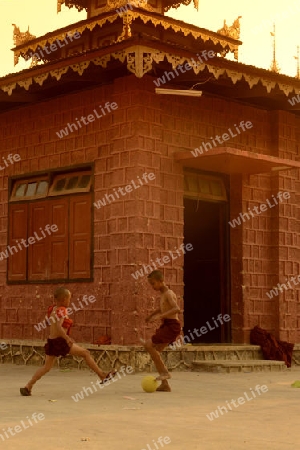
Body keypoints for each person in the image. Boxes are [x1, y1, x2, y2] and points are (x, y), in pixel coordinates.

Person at [20, 287, 115, 396]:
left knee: (46, 367)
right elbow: (59, 327)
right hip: (60, 342)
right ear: (64, 299)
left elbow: (47, 322)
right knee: (86, 353)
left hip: (52, 341)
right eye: (69, 299)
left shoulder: (52, 309)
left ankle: (28, 386)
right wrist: (67, 338)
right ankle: (102, 375)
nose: (69, 301)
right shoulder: (62, 310)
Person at [141, 270, 181, 392]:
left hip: (172, 326)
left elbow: (176, 309)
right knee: (156, 352)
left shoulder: (169, 293)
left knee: (148, 345)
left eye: (153, 283)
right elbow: (162, 307)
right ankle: (165, 384)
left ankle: (165, 373)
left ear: (161, 281)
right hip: (167, 325)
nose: (152, 287)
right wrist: (151, 315)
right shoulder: (163, 294)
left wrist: (160, 316)